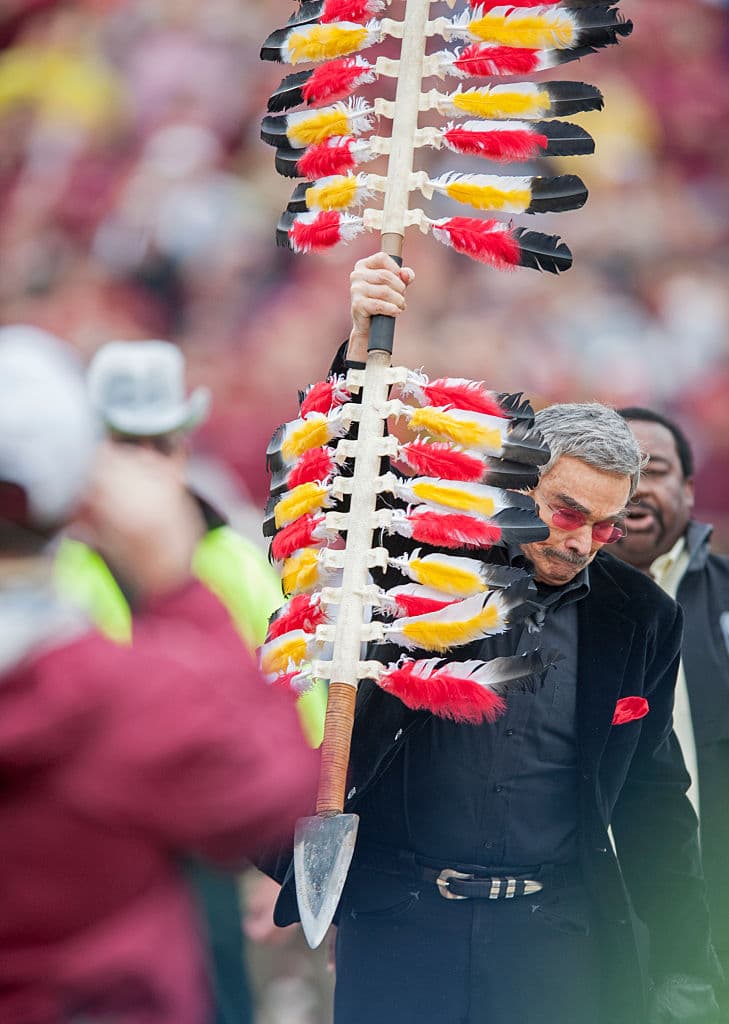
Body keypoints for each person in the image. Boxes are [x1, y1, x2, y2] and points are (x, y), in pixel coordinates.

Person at [269, 253, 721, 1024]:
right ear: (517, 482)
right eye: (568, 512)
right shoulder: (416, 559)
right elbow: (336, 493)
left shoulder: (639, 613)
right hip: (400, 923)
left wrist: (687, 968)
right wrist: (357, 338)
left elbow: (653, 803)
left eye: (606, 526)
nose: (584, 542)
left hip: (553, 942)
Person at [0, 325, 319, 1024]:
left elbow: (303, 702)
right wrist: (172, 581)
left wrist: (286, 866)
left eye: (161, 442)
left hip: (204, 847)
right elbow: (266, 770)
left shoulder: (234, 557)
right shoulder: (127, 603)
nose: (144, 464)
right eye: (123, 442)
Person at [614, 406, 729, 1014]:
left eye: (652, 470)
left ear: (687, 489)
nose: (634, 487)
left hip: (714, 912)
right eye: (615, 469)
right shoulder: (531, 613)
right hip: (577, 923)